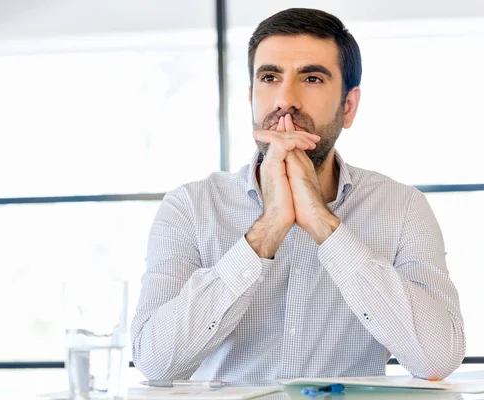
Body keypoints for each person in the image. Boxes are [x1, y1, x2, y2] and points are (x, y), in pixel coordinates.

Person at [131, 8, 465, 381]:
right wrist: (268, 229)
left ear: (348, 106)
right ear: (251, 98)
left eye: (312, 78)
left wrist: (324, 225)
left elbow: (437, 359)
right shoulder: (190, 208)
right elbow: (156, 363)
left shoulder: (402, 208)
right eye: (270, 77)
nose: (284, 100)